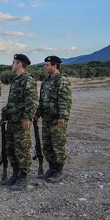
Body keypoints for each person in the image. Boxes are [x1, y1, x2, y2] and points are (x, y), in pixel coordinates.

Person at [0, 54, 38, 191]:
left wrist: (27, 118)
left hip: (21, 120)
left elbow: (31, 101)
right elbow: (13, 102)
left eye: (13, 62)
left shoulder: (27, 80)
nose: (12, 64)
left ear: (19, 64)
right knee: (11, 149)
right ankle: (15, 174)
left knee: (22, 149)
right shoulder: (16, 80)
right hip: (12, 120)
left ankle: (23, 177)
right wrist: (5, 115)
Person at [36, 55, 72, 183]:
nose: (45, 66)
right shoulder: (46, 80)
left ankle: (59, 171)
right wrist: (38, 113)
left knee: (58, 144)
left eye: (47, 65)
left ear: (55, 66)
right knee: (48, 145)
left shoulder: (61, 80)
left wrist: (62, 116)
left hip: (57, 119)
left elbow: (65, 100)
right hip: (47, 118)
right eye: (45, 64)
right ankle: (51, 168)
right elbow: (42, 99)